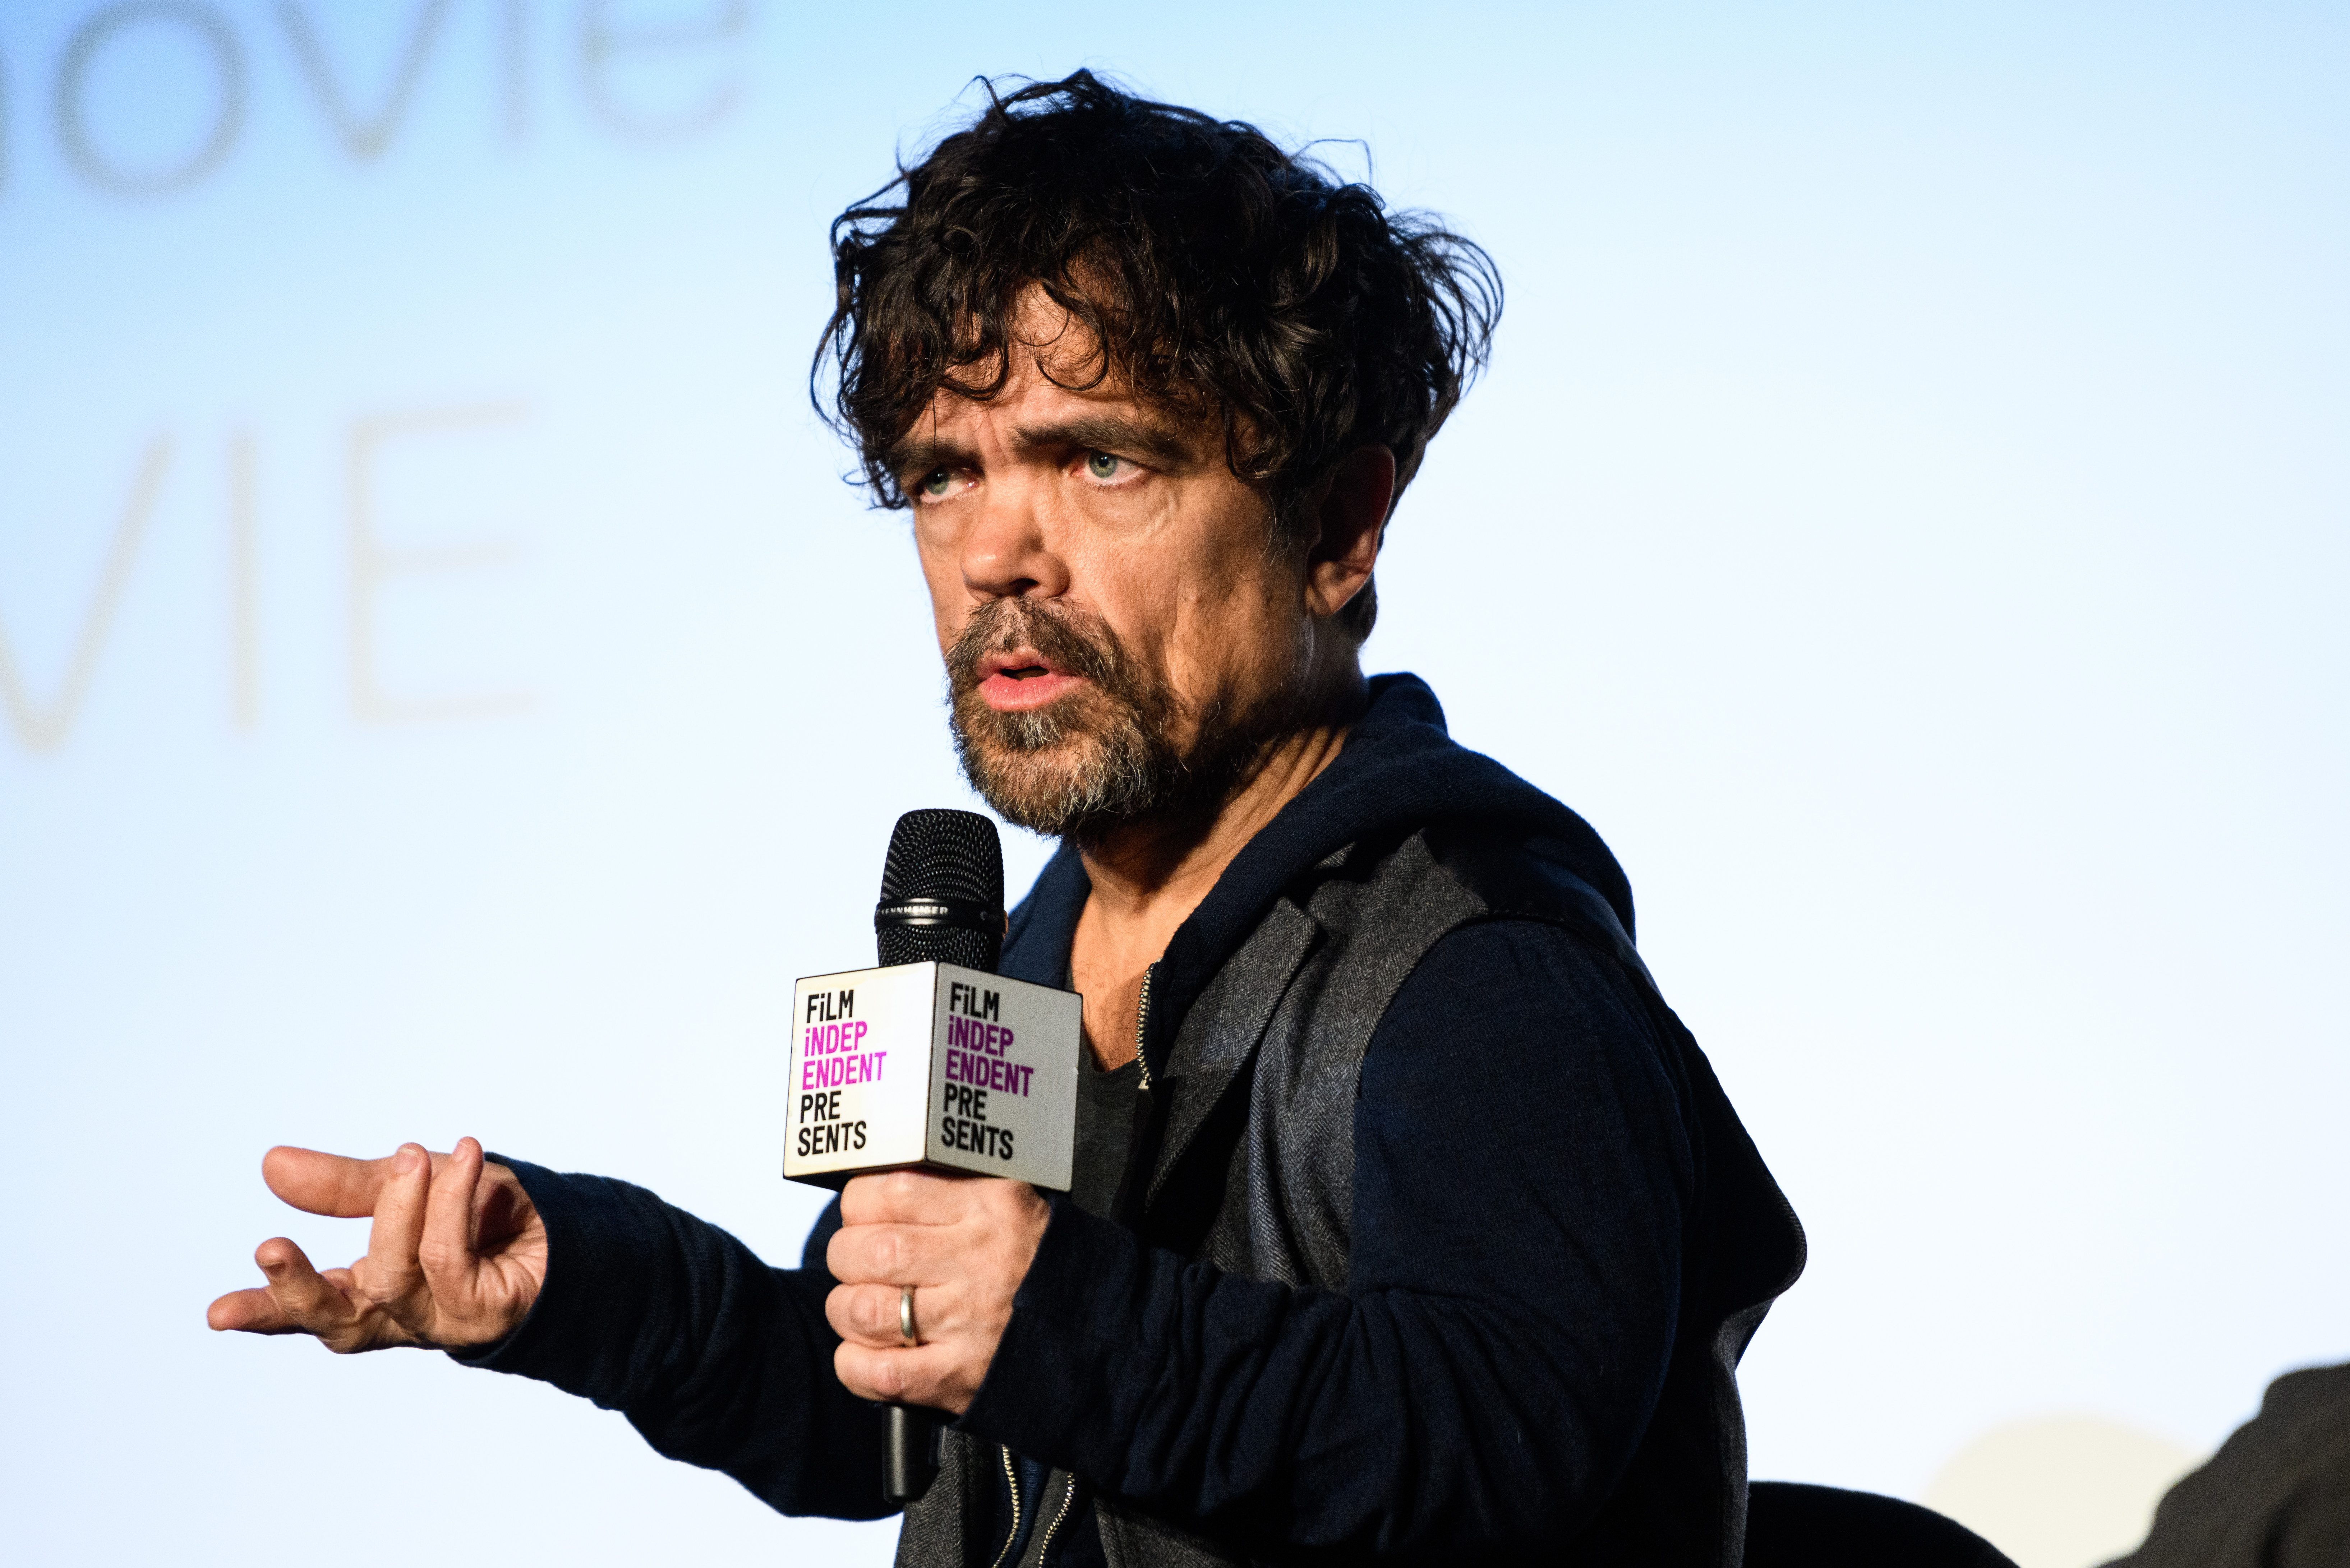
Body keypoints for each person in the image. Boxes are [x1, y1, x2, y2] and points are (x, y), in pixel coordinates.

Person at [209, 74, 1806, 1568]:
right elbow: (890, 1411)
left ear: (1336, 524)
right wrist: (574, 1280)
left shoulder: (1478, 967)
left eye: (1098, 459)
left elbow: (1509, 1443)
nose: (994, 558)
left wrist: (1057, 1326)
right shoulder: (1015, 957)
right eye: (944, 475)